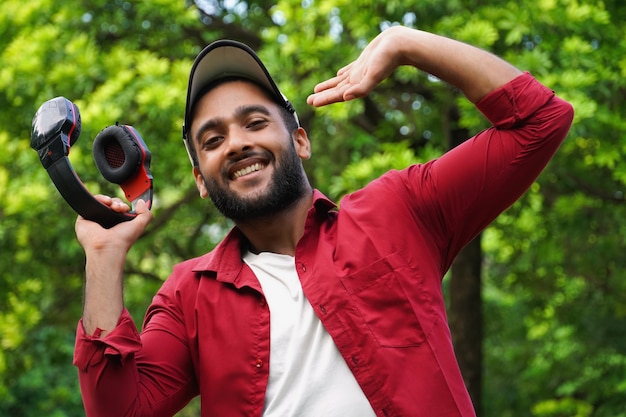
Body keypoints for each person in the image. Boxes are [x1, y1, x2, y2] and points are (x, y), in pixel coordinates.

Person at [73, 25, 574, 417]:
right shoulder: (188, 295)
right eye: (212, 140)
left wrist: (404, 43)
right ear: (201, 180)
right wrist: (102, 257)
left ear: (299, 140)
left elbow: (540, 122)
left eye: (255, 122)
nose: (238, 143)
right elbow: (120, 409)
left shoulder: (398, 210)